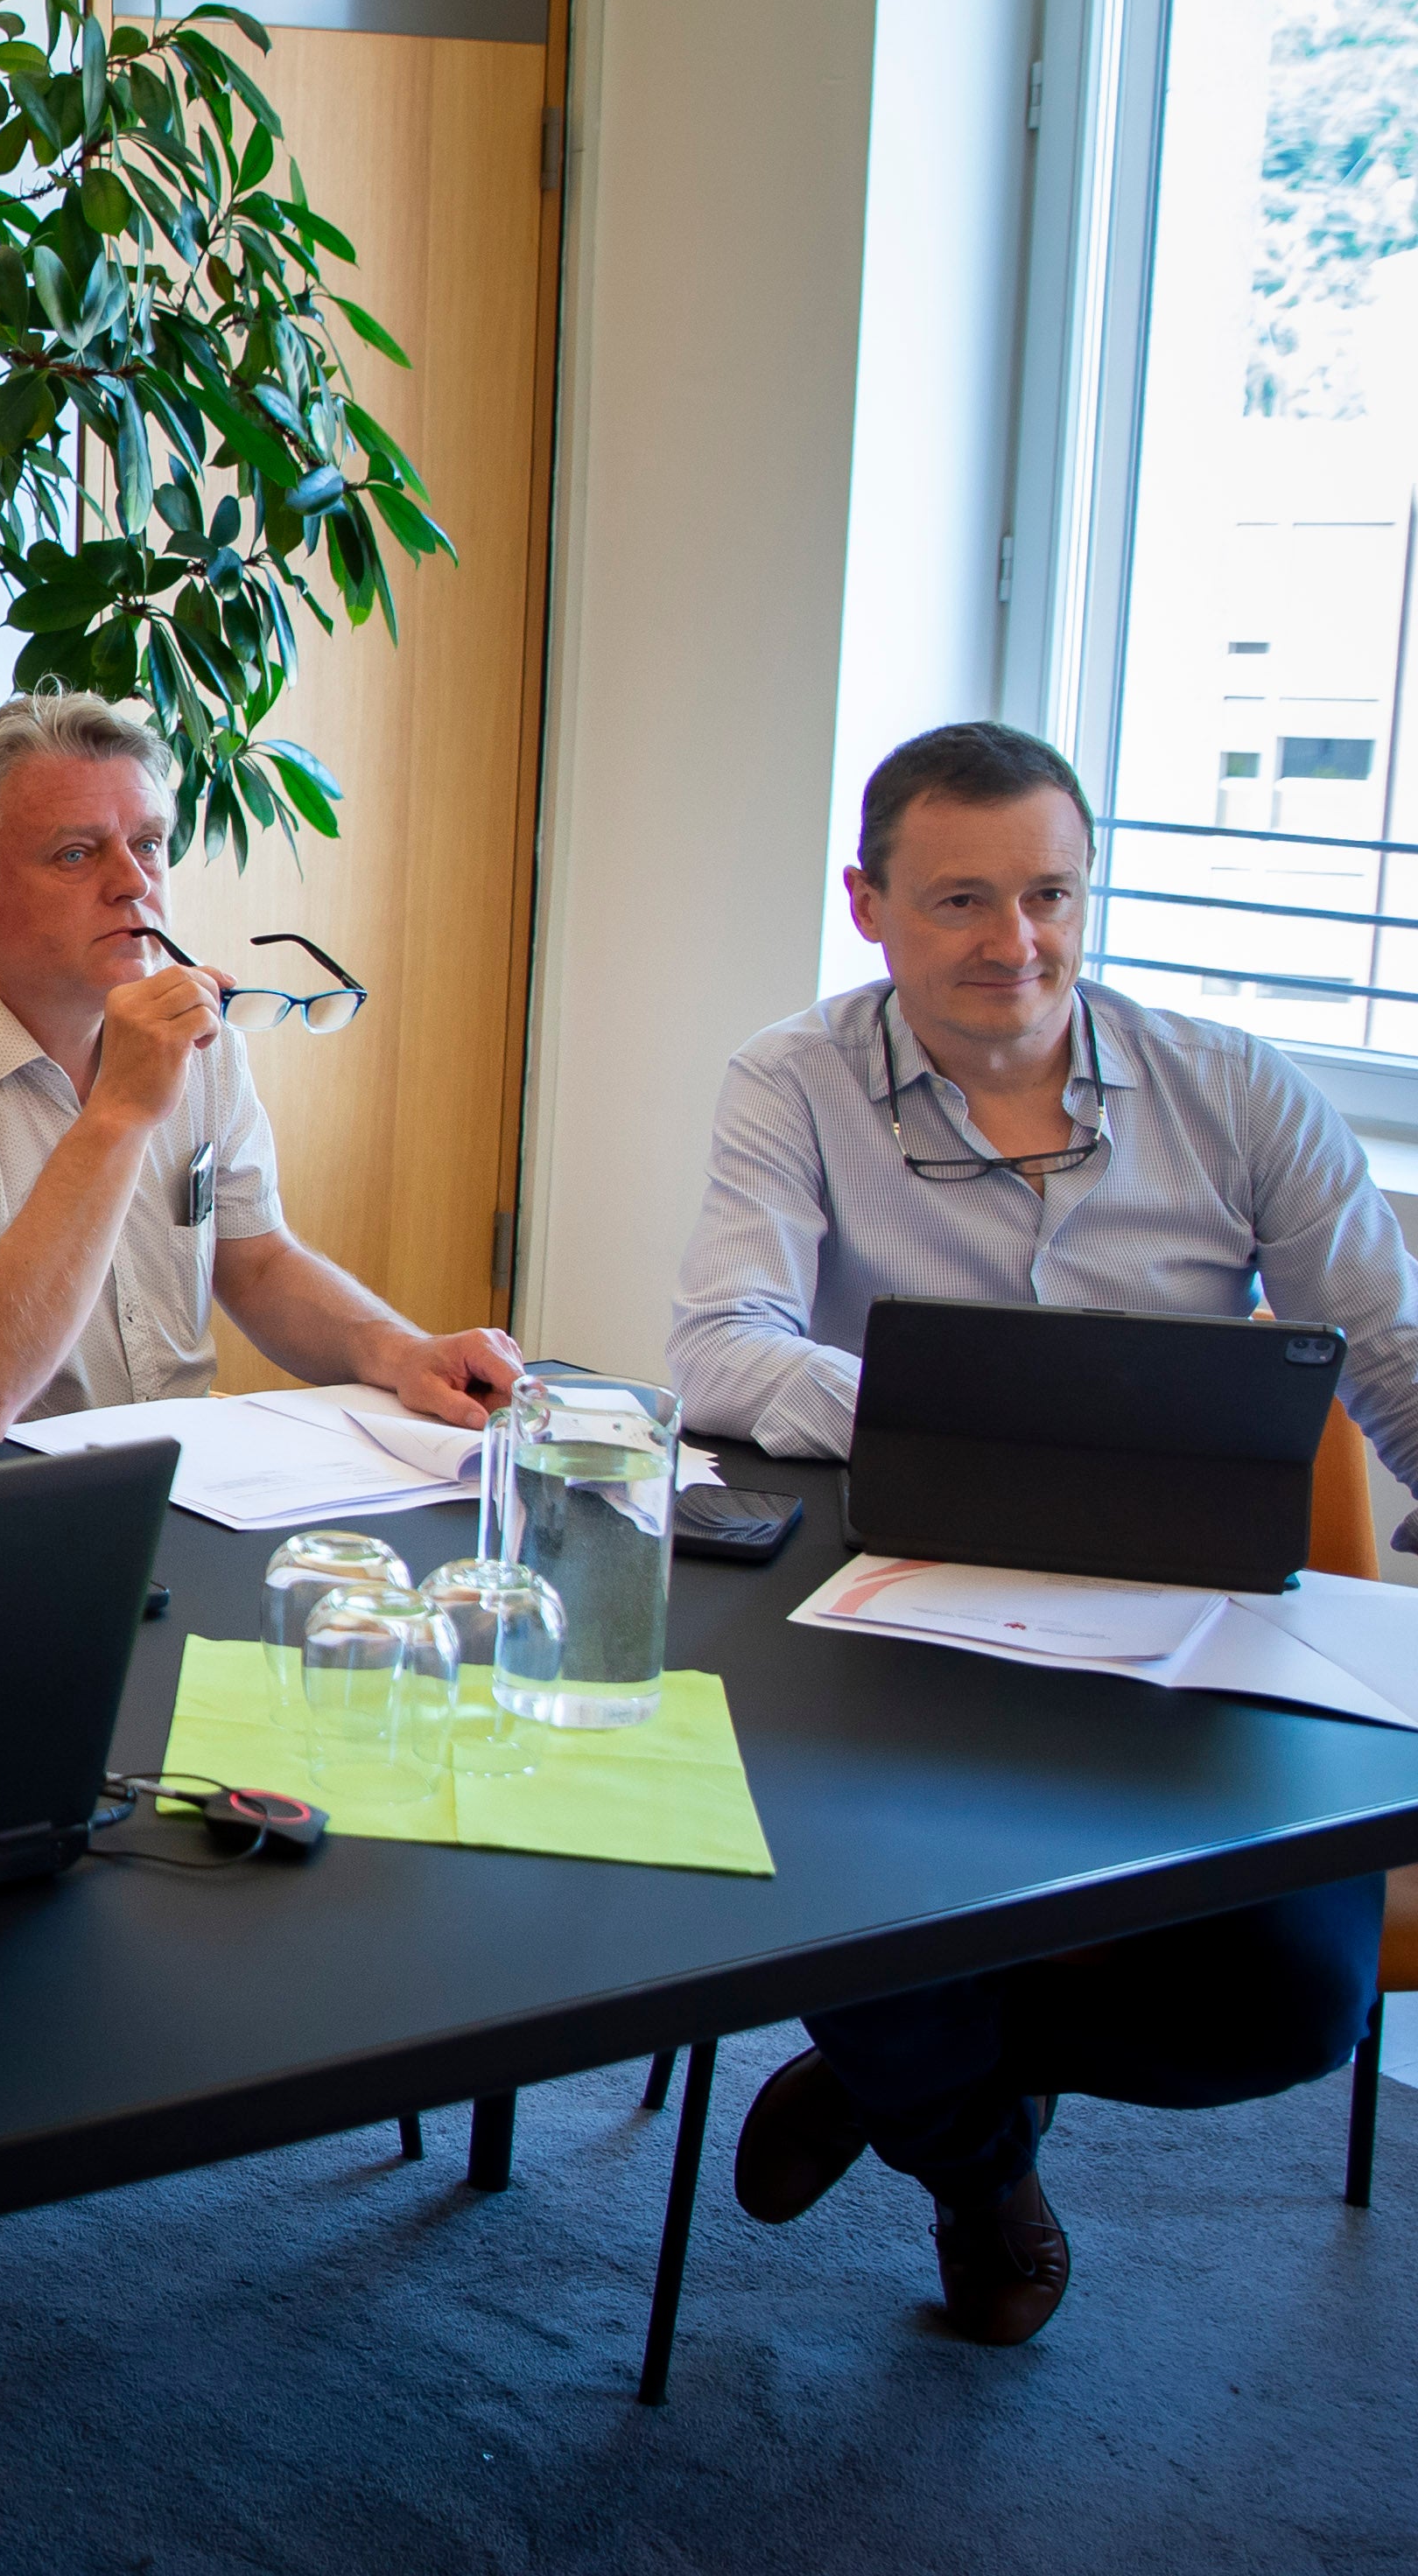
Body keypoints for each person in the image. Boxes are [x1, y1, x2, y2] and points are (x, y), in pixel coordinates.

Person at [669, 717, 1400, 2345]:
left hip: (1196, 1627)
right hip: (892, 1607)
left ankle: (903, 2075)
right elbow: (722, 1348)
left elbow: (1389, 1350)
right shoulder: (793, 1079)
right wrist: (967, 1424)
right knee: (814, 1900)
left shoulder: (1233, 1087)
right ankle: (977, 2167)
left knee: (1295, 2004)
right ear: (868, 905)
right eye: (962, 901)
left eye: (1052, 894)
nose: (1019, 942)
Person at [0, 690, 521, 1457]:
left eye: (147, 844)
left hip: (163, 1481)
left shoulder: (195, 1034)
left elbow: (259, 1264)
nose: (133, 882)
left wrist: (402, 1353)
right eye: (76, 854)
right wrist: (118, 1113)